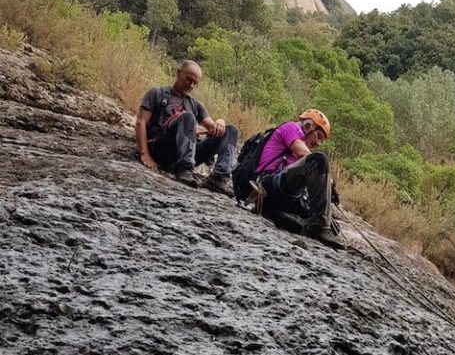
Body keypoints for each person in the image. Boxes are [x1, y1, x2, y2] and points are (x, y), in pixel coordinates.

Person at [135, 60, 238, 195]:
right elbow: (140, 123)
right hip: (161, 149)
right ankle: (184, 168)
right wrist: (145, 154)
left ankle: (218, 178)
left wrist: (220, 121)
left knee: (231, 131)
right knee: (187, 117)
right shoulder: (157, 93)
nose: (191, 85)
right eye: (188, 80)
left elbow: (214, 127)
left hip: (187, 151)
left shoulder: (194, 104)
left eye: (195, 83)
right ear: (178, 74)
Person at [248, 109, 343, 248]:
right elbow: (303, 153)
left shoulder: (302, 147)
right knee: (319, 159)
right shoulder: (290, 127)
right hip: (269, 186)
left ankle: (284, 216)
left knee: (333, 227)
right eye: (318, 136)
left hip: (285, 193)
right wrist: (327, 179)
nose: (318, 143)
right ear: (307, 126)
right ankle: (317, 226)